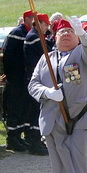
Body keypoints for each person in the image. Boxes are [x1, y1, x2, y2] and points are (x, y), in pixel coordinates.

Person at [29, 16, 87, 173]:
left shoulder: (83, 53)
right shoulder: (46, 58)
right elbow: (33, 84)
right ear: (54, 37)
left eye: (70, 31)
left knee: (78, 166)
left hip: (78, 117)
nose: (66, 34)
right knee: (59, 168)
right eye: (61, 32)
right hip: (52, 119)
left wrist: (84, 34)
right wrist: (47, 93)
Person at [2, 10, 35, 151]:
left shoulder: (28, 33)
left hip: (23, 78)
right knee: (15, 108)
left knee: (22, 108)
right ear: (26, 19)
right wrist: (11, 75)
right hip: (16, 78)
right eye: (32, 19)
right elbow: (8, 54)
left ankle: (18, 136)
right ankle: (12, 138)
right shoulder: (18, 33)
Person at [22, 13, 53, 156]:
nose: (47, 27)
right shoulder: (35, 37)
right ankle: (34, 141)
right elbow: (47, 54)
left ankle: (35, 139)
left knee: (35, 110)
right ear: (38, 23)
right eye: (45, 24)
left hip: (35, 76)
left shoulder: (35, 36)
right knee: (36, 110)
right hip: (36, 77)